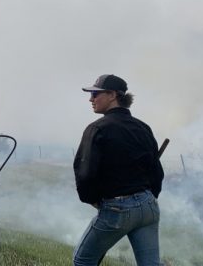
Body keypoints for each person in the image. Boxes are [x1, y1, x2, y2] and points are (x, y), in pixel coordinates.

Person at [72, 74, 165, 266]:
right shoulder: (143, 127)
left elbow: (85, 172)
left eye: (95, 94)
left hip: (116, 209)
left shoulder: (96, 129)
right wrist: (148, 196)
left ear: (112, 94)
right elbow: (156, 171)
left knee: (82, 261)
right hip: (149, 207)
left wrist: (93, 200)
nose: (91, 99)